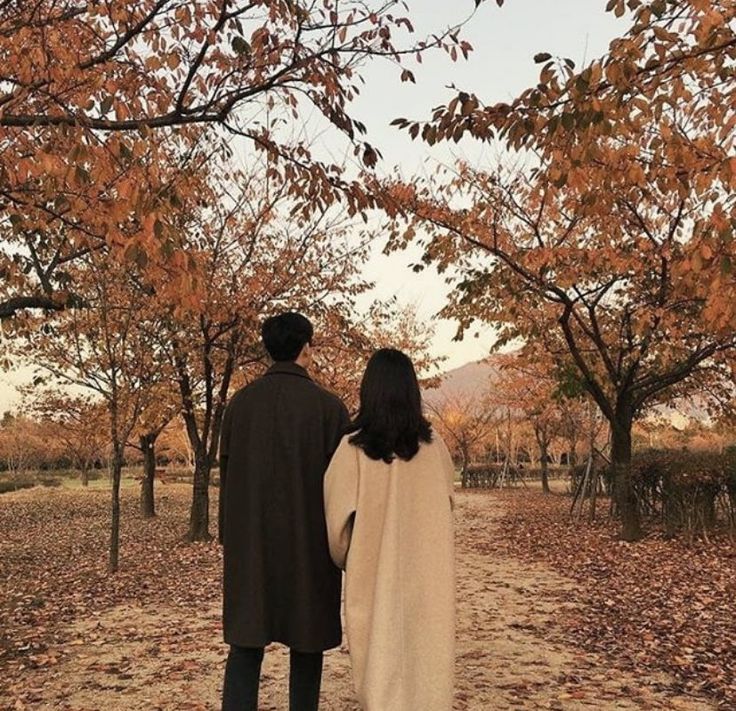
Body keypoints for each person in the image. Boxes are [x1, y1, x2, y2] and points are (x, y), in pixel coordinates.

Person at [219, 312, 349, 711]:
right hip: (308, 542)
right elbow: (343, 486)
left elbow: (225, 475)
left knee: (246, 643)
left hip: (251, 541)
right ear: (306, 348)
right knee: (306, 645)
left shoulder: (239, 406)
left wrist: (230, 535)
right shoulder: (329, 409)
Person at [324, 348, 456, 711]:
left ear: (369, 391)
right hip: (429, 575)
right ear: (412, 391)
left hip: (374, 575)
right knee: (427, 662)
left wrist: (353, 556)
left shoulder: (351, 450)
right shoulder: (435, 448)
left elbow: (337, 530)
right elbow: (447, 505)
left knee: (379, 667)